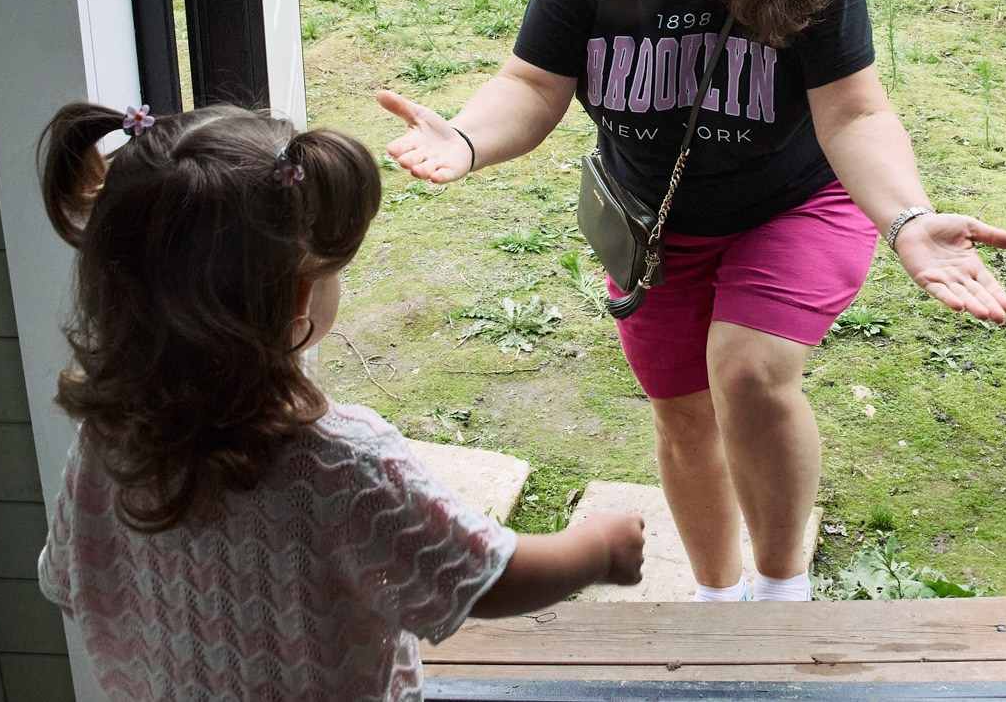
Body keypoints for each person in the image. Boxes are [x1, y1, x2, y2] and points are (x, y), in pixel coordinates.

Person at [378, 0, 1006, 605]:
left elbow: (856, 115)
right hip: (655, 223)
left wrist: (908, 220)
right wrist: (464, 137)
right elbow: (532, 85)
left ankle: (782, 592)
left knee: (747, 370)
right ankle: (718, 601)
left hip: (792, 202)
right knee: (682, 412)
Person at [33, 102, 645, 701]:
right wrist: (597, 550)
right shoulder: (340, 465)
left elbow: (67, 579)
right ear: (301, 297)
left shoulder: (110, 442)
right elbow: (478, 577)